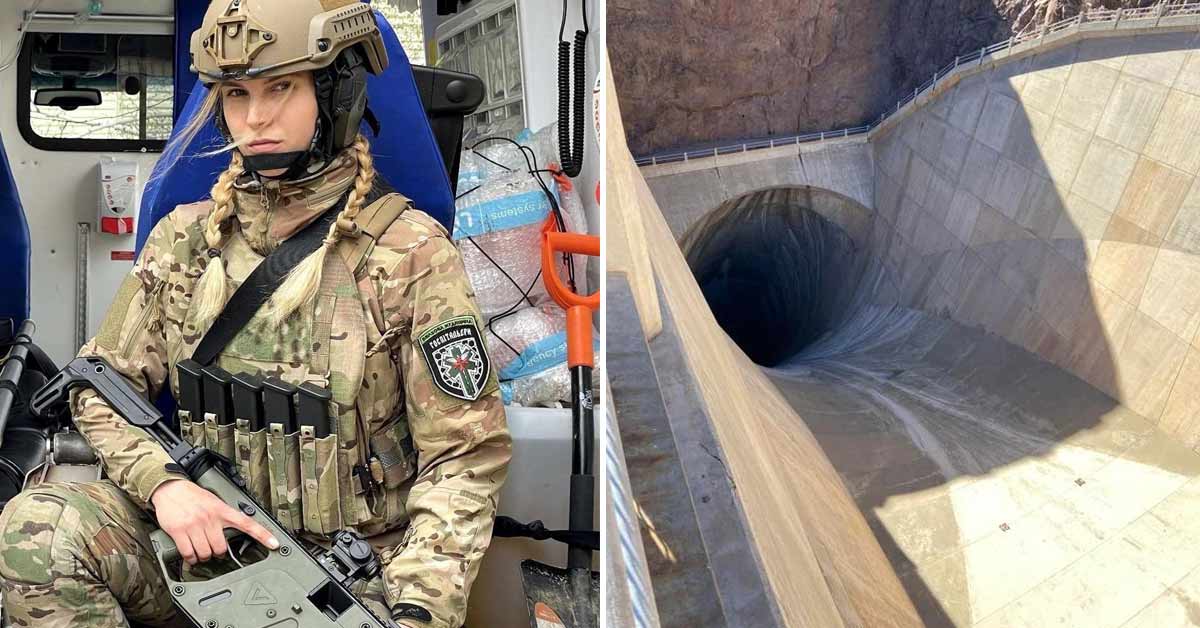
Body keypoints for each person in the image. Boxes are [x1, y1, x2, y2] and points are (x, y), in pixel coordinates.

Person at [0, 2, 510, 627]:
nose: (255, 117)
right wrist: (167, 486)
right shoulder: (183, 242)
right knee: (40, 529)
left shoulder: (411, 253)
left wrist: (416, 611)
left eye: (281, 88)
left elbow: (462, 458)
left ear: (337, 91)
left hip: (353, 577)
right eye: (235, 94)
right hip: (202, 550)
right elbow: (98, 387)